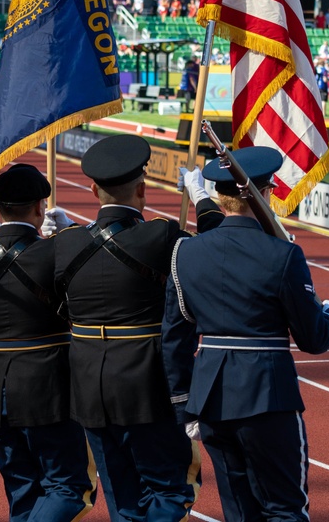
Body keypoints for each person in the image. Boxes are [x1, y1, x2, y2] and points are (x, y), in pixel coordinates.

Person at [162, 146, 329, 522]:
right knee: (285, 509)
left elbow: (175, 336)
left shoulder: (186, 253)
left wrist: (183, 403)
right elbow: (313, 338)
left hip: (209, 399)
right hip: (266, 396)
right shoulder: (283, 255)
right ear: (268, 191)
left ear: (218, 197)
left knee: (239, 512)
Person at [54, 135, 223, 522]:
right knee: (170, 490)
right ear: (143, 188)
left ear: (93, 189)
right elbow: (218, 249)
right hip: (147, 385)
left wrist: (56, 235)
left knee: (123, 500)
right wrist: (201, 198)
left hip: (87, 386)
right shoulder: (161, 236)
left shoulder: (67, 243)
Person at [0, 164, 96, 521]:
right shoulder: (57, 252)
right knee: (68, 488)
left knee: (22, 489)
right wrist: (70, 232)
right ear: (40, 208)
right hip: (48, 384)